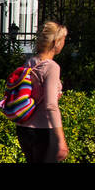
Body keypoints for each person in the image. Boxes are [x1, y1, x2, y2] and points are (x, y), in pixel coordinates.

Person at [16, 21, 68, 164]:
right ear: (56, 42)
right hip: (43, 131)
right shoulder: (51, 67)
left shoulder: (30, 62)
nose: (64, 43)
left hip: (24, 129)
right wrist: (61, 139)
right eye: (63, 39)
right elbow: (51, 105)